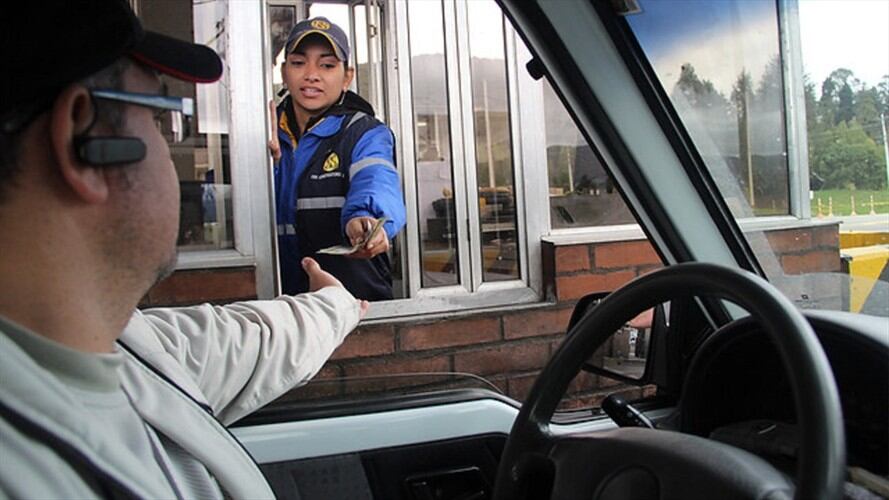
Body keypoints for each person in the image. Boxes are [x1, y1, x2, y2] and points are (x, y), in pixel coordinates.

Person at [0, 2, 367, 498]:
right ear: (80, 140)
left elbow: (235, 340)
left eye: (327, 64)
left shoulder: (116, 343)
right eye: (159, 119)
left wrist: (336, 304)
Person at [269, 17, 406, 301]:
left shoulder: (365, 133)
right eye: (298, 63)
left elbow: (376, 180)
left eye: (327, 65)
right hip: (280, 309)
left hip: (354, 306)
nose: (311, 74)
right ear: (284, 72)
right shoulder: (262, 133)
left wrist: (365, 222)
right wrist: (267, 162)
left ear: (347, 77)